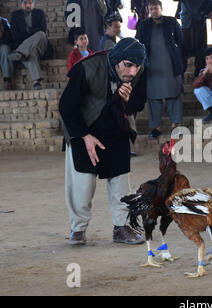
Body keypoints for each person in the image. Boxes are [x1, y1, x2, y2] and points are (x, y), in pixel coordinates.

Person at [59, 38, 147, 246]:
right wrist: (84, 137)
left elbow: (138, 103)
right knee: (82, 185)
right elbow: (66, 107)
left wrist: (128, 101)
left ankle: (122, 227)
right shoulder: (86, 68)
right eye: (128, 65)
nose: (132, 72)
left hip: (117, 128)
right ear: (116, 61)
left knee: (120, 180)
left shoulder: (140, 71)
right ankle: (78, 229)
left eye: (137, 66)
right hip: (83, 128)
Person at [136, 0, 184, 139]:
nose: (153, 10)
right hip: (152, 66)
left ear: (161, 8)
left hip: (170, 64)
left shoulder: (171, 22)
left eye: (155, 7)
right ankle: (155, 128)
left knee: (174, 95)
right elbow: (139, 44)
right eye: (151, 8)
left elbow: (180, 42)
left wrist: (179, 59)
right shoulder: (144, 25)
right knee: (153, 98)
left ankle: (175, 125)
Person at [9, 0, 53, 90]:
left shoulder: (40, 13)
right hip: (29, 49)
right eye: (25, 3)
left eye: (30, 3)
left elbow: (42, 29)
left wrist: (27, 36)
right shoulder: (15, 15)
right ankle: (36, 82)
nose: (28, 5)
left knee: (40, 34)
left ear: (33, 3)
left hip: (41, 45)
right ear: (21, 4)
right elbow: (14, 34)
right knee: (31, 52)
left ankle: (19, 52)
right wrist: (31, 36)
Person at [174, 0, 212, 77]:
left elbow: (211, 5)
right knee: (189, 50)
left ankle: (197, 76)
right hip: (190, 24)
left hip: (194, 24)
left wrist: (202, 13)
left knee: (199, 50)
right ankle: (188, 75)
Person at [0, 16, 14, 90]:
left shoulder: (3, 22)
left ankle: (7, 79)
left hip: (2, 49)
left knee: (5, 48)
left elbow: (9, 39)